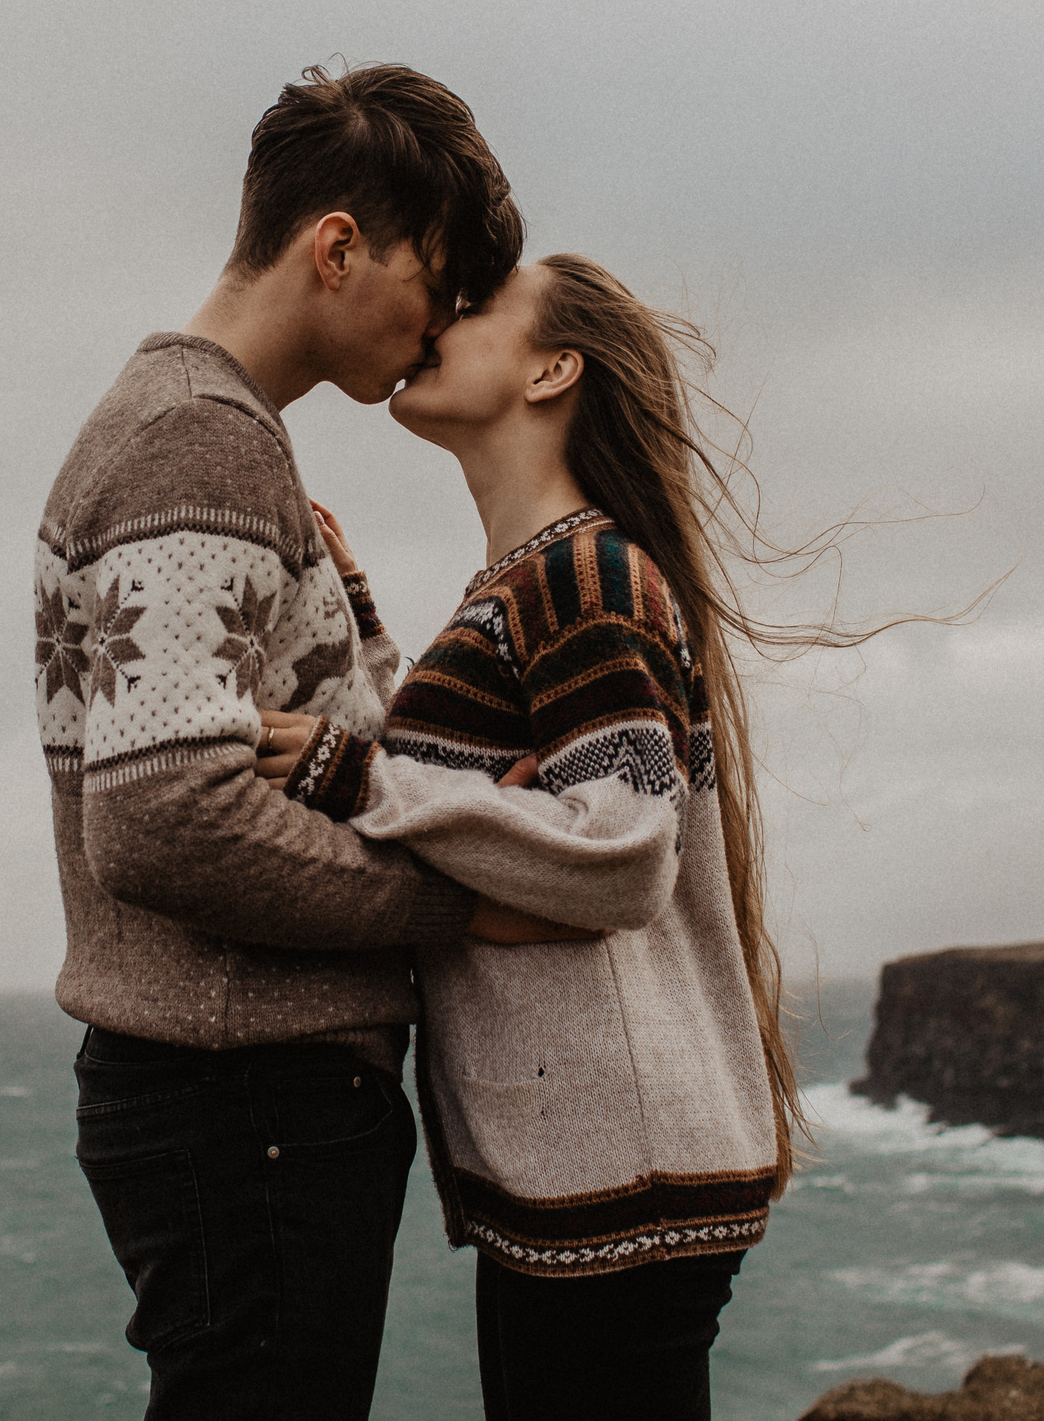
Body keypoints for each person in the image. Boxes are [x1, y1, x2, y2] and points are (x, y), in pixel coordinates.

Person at [33, 62, 583, 1420]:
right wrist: (451, 899)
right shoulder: (199, 443)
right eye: (438, 283)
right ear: (336, 246)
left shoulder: (203, 435)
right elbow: (168, 814)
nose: (442, 325)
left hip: (241, 1091)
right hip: (243, 1089)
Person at [259, 253, 845, 1420]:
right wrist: (366, 634)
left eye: (475, 308)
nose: (436, 319)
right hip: (593, 1167)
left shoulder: (589, 574)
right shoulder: (531, 580)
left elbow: (622, 851)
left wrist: (354, 775)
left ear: (551, 368)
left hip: (621, 1173)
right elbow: (467, 795)